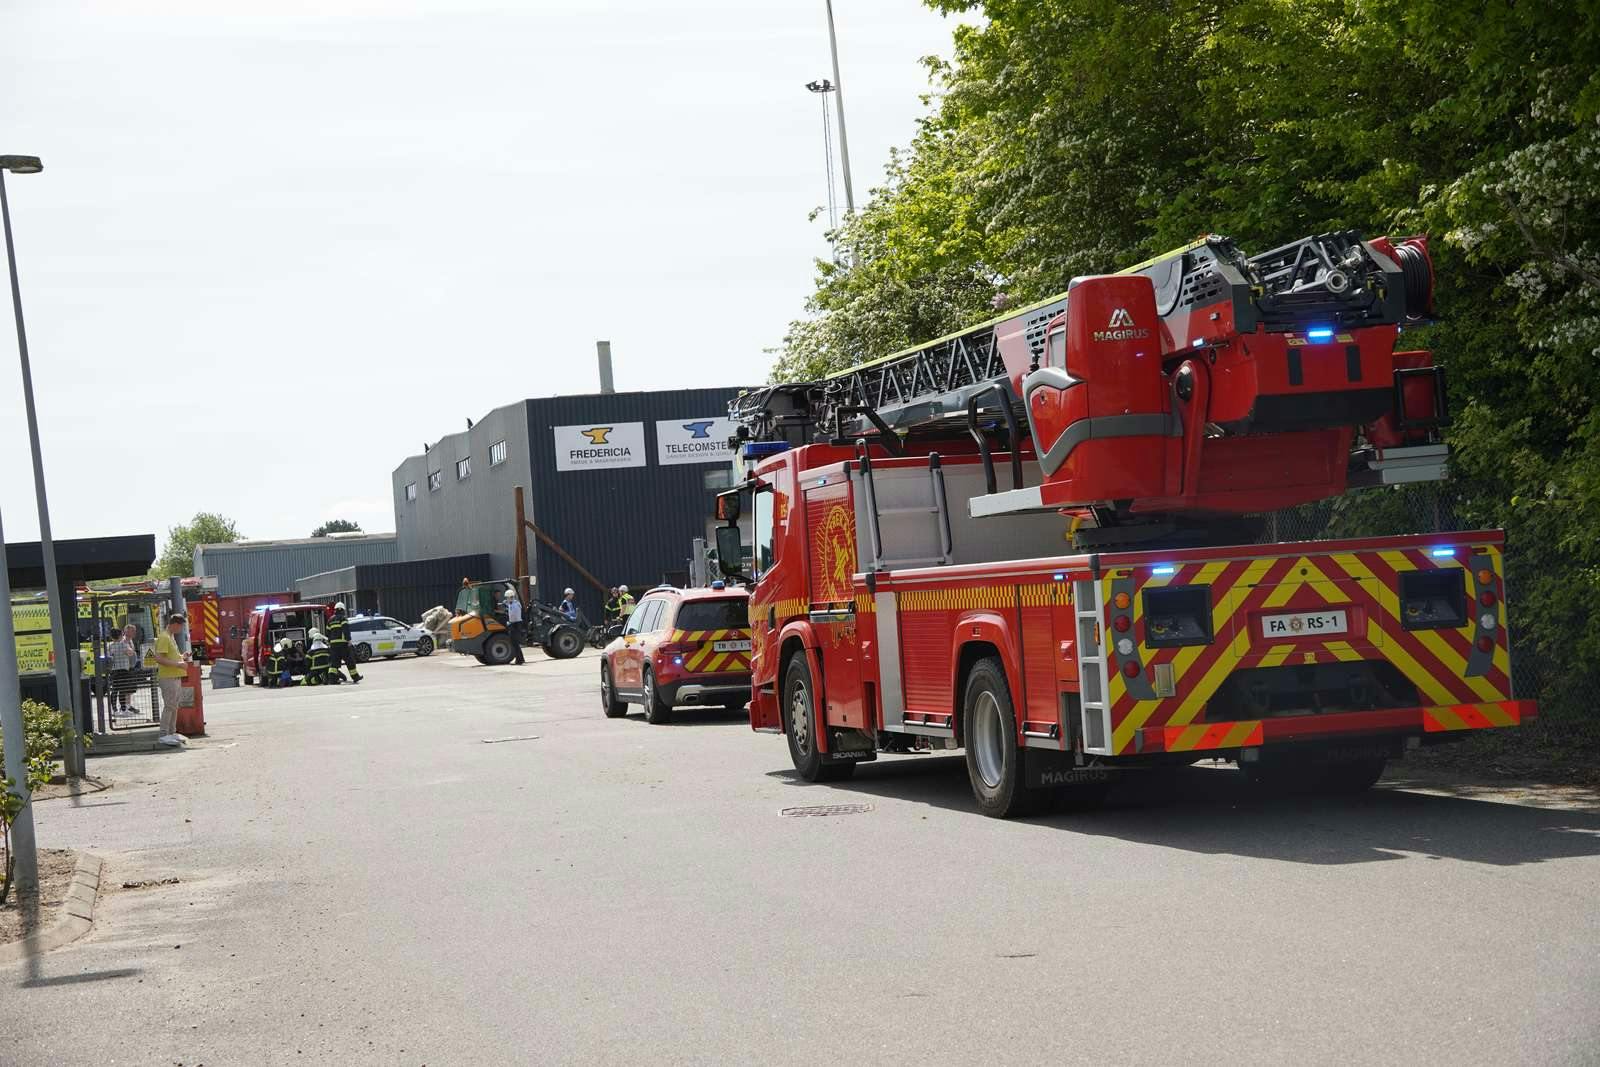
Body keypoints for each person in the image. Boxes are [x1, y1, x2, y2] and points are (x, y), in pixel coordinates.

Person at [151, 612, 191, 747]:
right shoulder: (164, 637)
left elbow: (169, 656)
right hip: (168, 677)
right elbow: (159, 658)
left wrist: (182, 657)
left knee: (174, 705)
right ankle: (164, 734)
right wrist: (179, 664)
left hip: (173, 676)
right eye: (181, 626)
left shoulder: (170, 636)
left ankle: (171, 732)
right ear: (175, 624)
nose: (181, 629)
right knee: (170, 706)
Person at [324, 602, 362, 684]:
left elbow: (327, 633)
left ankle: (332, 679)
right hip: (343, 644)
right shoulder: (343, 619)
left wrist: (330, 641)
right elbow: (346, 630)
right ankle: (355, 677)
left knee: (334, 663)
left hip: (333, 645)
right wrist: (349, 640)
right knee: (349, 661)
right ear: (342, 610)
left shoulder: (330, 620)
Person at [107, 625, 138, 715]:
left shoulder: (110, 646)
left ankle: (114, 710)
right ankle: (123, 709)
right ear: (120, 635)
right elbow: (131, 653)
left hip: (114, 670)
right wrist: (131, 651)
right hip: (124, 670)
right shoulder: (123, 644)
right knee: (123, 690)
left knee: (114, 690)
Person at [502, 589, 526, 665]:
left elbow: (513, 616)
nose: (506, 599)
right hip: (515, 624)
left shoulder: (514, 605)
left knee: (514, 643)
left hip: (515, 624)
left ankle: (519, 660)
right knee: (515, 643)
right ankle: (520, 659)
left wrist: (509, 622)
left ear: (510, 597)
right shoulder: (513, 603)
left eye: (507, 597)